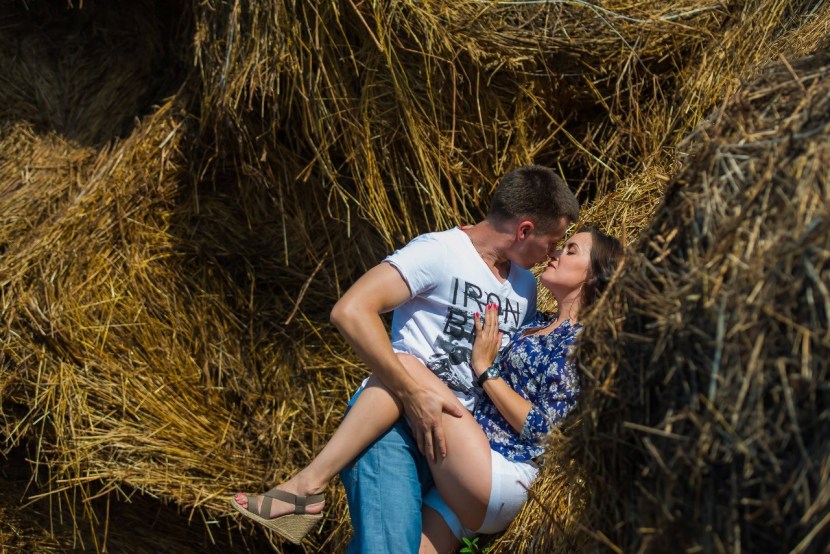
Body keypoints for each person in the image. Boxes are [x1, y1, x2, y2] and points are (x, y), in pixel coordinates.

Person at [232, 166, 580, 550]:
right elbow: (350, 310)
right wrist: (412, 394)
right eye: (552, 242)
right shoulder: (440, 251)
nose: (554, 253)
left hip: (460, 448)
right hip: (395, 425)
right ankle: (307, 486)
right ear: (524, 230)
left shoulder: (525, 287)